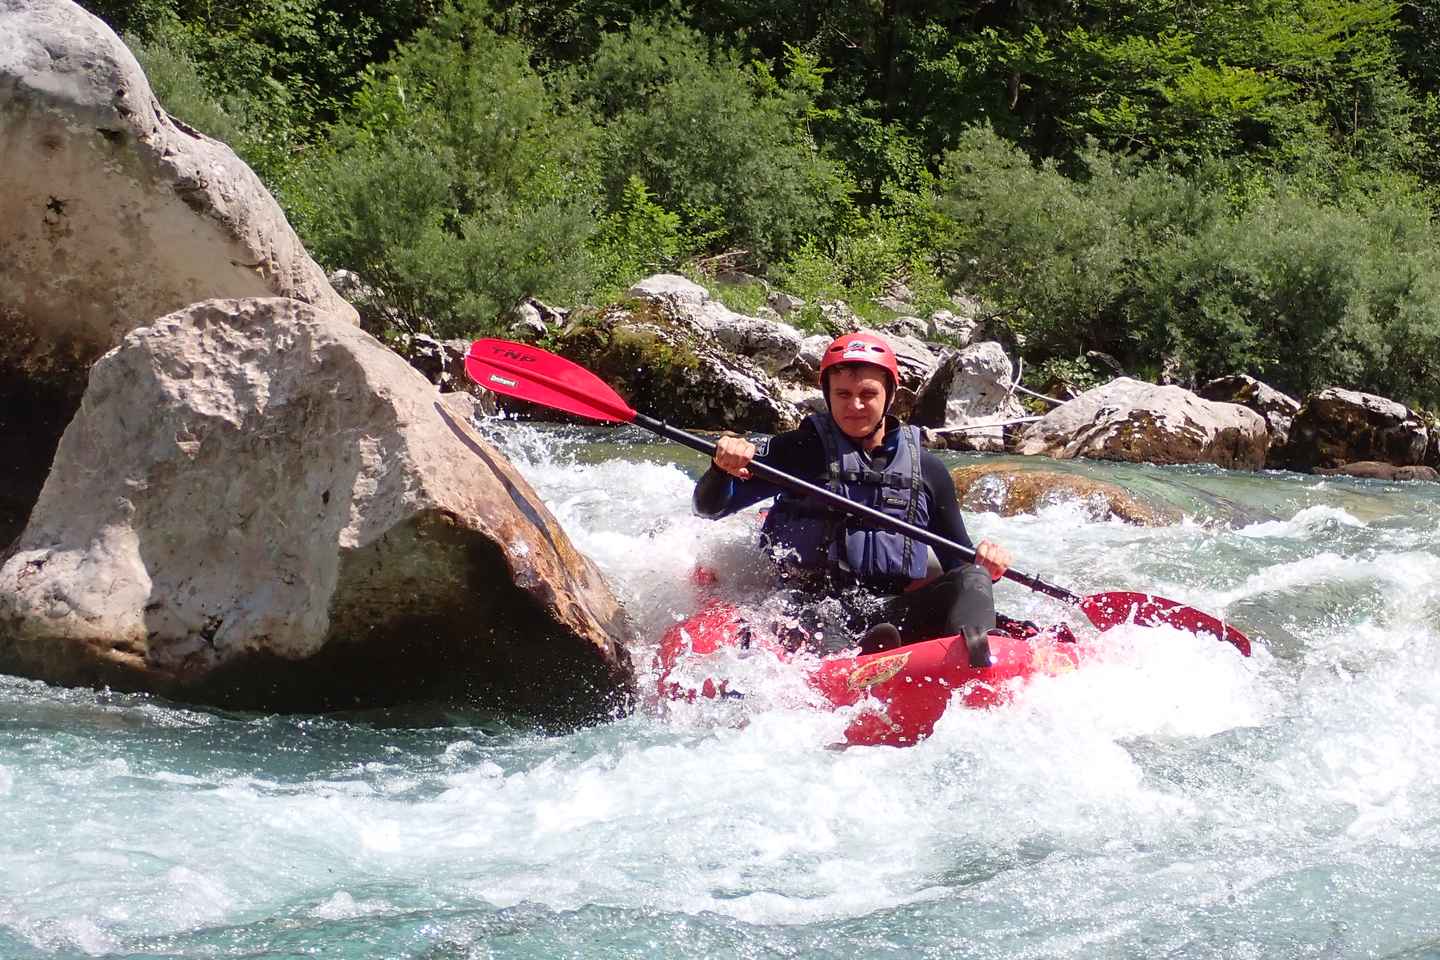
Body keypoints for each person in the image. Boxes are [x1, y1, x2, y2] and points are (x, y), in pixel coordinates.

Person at [691, 332, 1013, 666]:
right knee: (820, 616)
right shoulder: (798, 451)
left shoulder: (928, 471)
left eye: (868, 394)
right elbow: (708, 509)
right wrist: (721, 470)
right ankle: (855, 664)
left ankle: (976, 662)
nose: (855, 405)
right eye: (843, 394)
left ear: (890, 396)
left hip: (889, 607)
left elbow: (958, 562)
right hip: (808, 607)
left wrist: (988, 564)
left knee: (972, 578)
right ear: (827, 395)